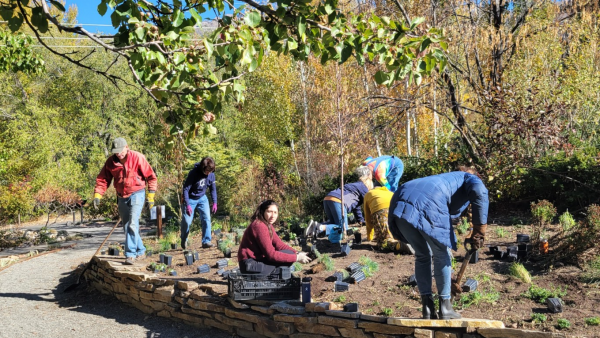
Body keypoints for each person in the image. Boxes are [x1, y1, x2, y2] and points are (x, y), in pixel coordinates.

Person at [388, 168, 488, 320]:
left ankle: (427, 309)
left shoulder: (444, 180)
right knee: (441, 253)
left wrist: (450, 278)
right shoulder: (470, 178)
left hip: (400, 201)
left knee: (422, 255)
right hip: (428, 201)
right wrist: (479, 230)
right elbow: (480, 192)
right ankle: (445, 308)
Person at [93, 137, 157, 265]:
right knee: (127, 226)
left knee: (133, 223)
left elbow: (151, 177)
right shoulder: (111, 162)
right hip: (121, 196)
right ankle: (141, 250)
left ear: (126, 147)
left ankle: (130, 255)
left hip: (137, 193)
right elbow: (103, 179)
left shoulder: (137, 157)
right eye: (116, 151)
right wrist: (97, 195)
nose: (118, 154)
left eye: (120, 151)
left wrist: (151, 196)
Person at [238, 200, 311, 277]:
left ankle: (274, 276)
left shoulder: (267, 224)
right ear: (263, 211)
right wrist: (296, 258)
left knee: (289, 253)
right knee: (288, 257)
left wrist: (297, 253)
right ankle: (271, 278)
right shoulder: (259, 226)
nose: (273, 215)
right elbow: (271, 255)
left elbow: (280, 245)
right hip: (250, 266)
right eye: (269, 212)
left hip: (256, 263)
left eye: (275, 212)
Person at [318, 166, 373, 237]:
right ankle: (319, 227)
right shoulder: (364, 187)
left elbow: (356, 207)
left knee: (333, 223)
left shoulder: (355, 186)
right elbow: (369, 203)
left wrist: (360, 220)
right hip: (338, 201)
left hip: (327, 199)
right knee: (343, 229)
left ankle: (315, 227)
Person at [181, 157, 217, 249]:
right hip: (190, 198)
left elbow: (213, 189)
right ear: (202, 167)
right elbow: (185, 189)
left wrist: (215, 202)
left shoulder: (211, 175)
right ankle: (184, 239)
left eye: (210, 171)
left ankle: (206, 241)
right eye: (207, 171)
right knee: (187, 222)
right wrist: (188, 204)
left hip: (202, 198)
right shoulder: (193, 173)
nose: (208, 173)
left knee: (206, 219)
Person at [363, 183, 395, 248]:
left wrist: (369, 236)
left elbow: (368, 218)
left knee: (383, 243)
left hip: (381, 212)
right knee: (394, 234)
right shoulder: (390, 192)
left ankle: (398, 246)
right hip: (395, 211)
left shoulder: (369, 194)